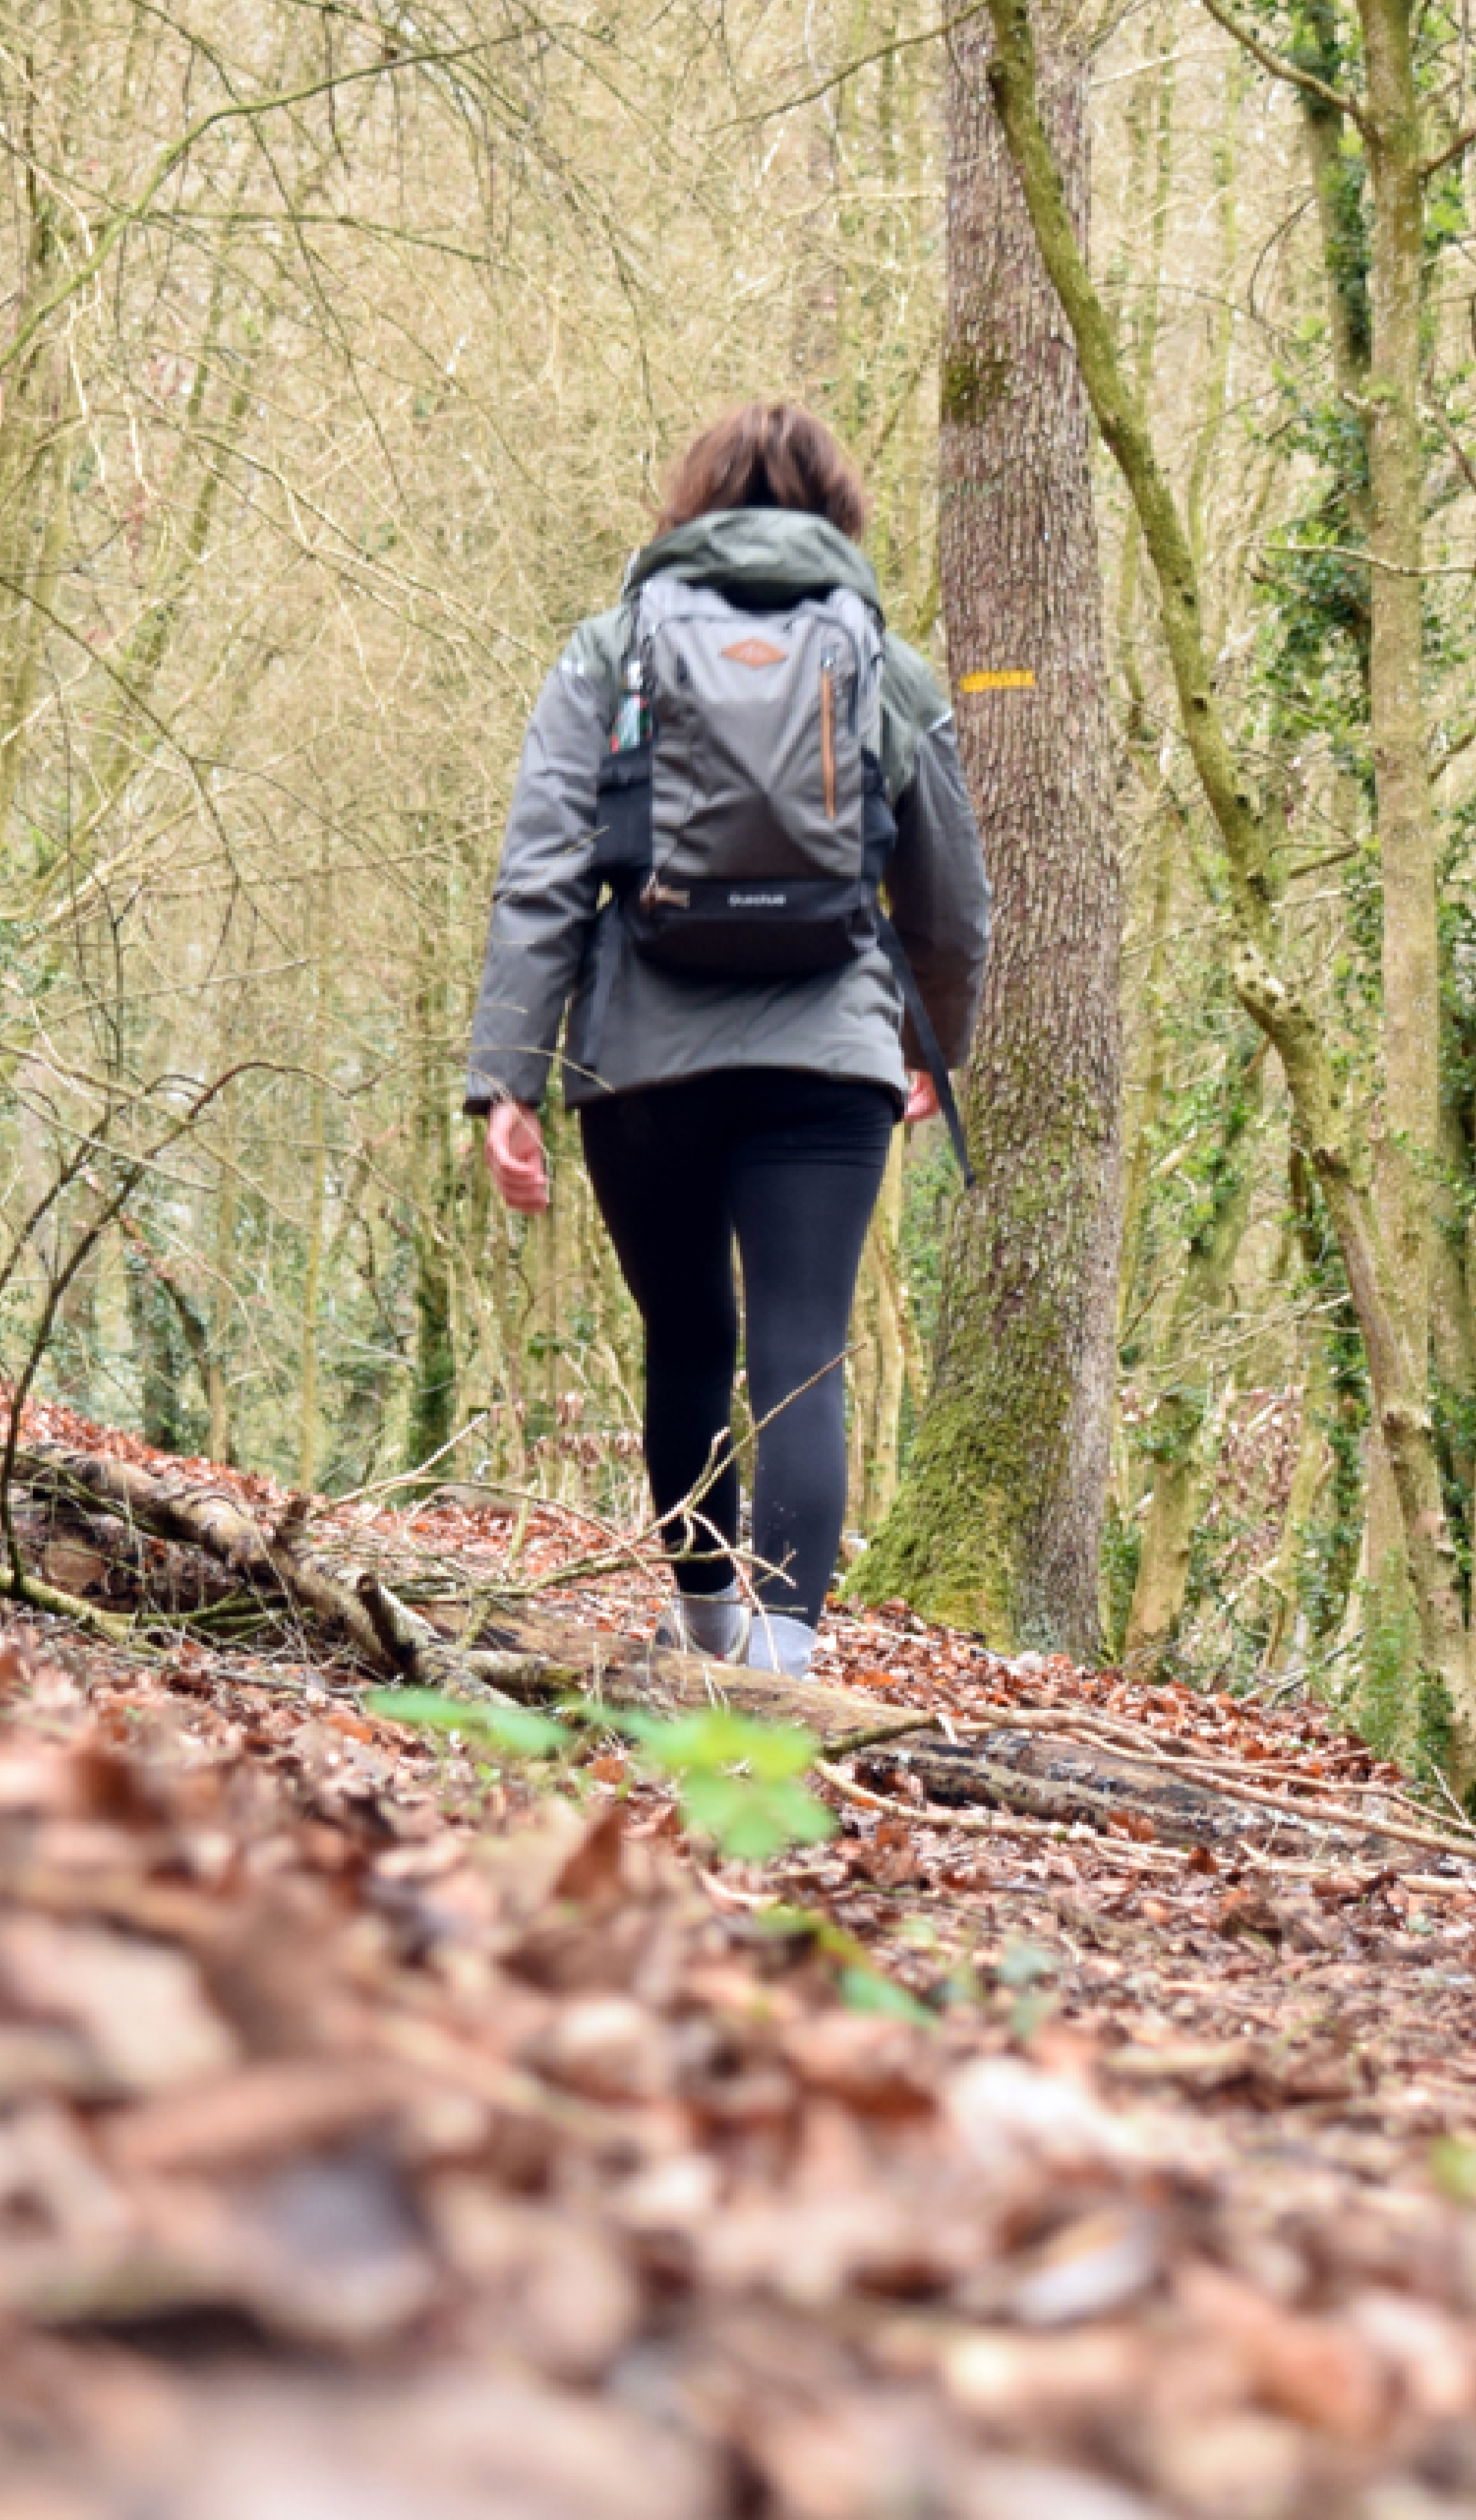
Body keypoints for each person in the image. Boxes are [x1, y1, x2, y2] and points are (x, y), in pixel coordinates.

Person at [465, 401, 989, 1677]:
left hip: (641, 1059)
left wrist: (507, 1077)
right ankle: (787, 1661)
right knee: (802, 1345)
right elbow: (953, 899)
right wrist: (934, 1039)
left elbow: (543, 875)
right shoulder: (882, 659)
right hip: (828, 1059)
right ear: (837, 517)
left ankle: (705, 1628)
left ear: (685, 507)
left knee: (690, 1337)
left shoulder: (608, 652)